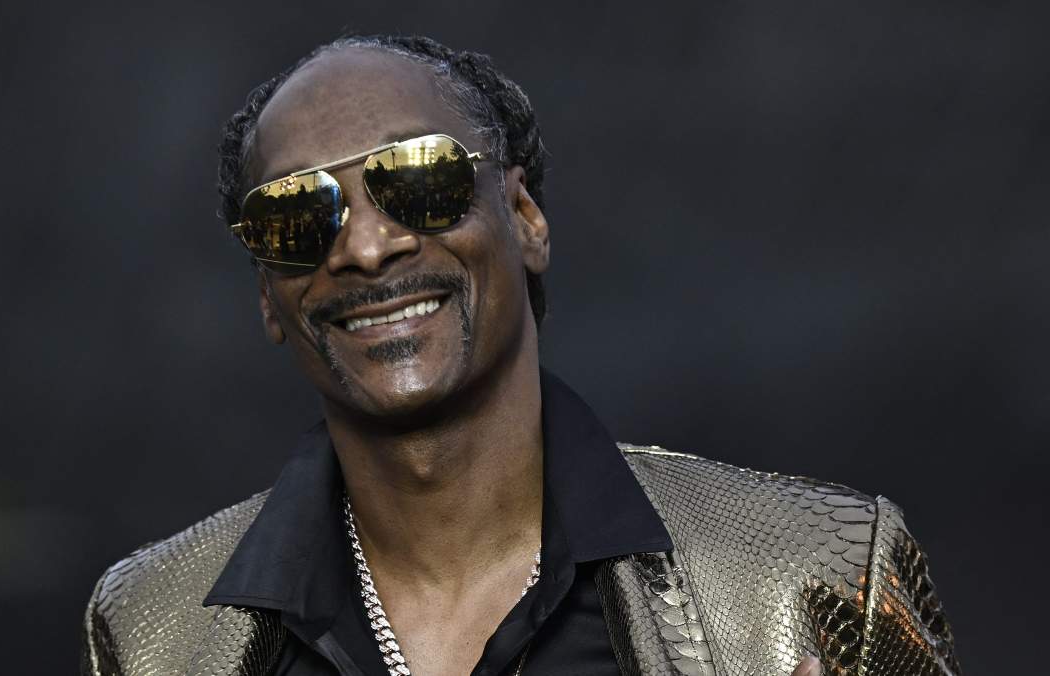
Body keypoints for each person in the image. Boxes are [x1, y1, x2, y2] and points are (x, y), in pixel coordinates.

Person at [81, 35, 959, 676]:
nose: (368, 248)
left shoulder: (813, 576)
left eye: (420, 180)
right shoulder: (155, 630)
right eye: (297, 218)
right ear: (268, 295)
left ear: (526, 220)